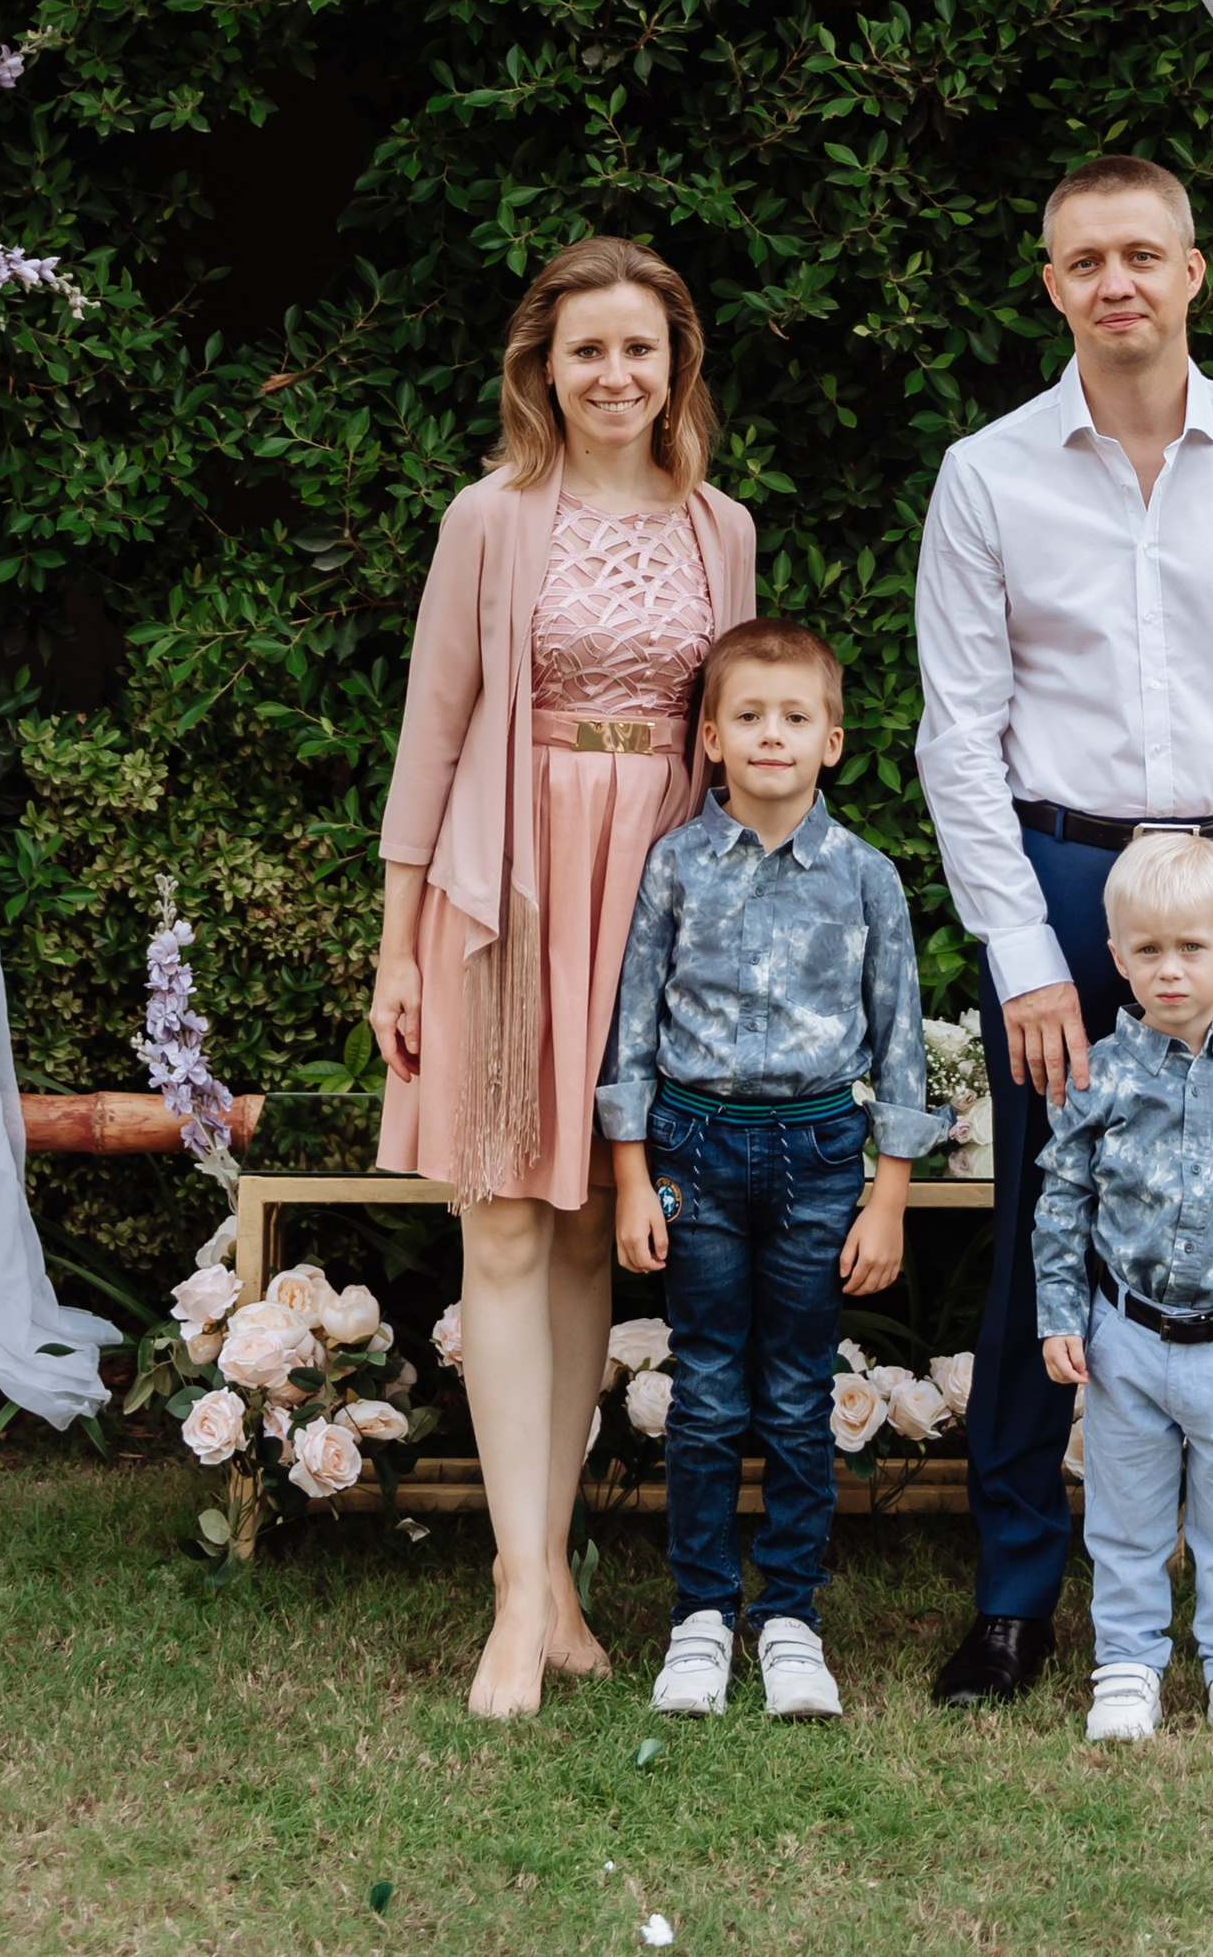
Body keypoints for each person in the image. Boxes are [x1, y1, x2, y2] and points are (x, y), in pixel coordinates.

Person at [913, 153, 1213, 1722]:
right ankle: (1014, 1600)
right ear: (1051, 282)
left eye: (1143, 252)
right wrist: (1025, 956)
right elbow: (957, 735)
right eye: (1083, 259)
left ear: (1194, 271)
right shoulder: (987, 474)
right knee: (1035, 1244)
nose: (1114, 280)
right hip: (1062, 880)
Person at [368, 236, 755, 1720]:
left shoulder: (725, 527)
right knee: (511, 1221)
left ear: (676, 366)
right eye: (586, 349)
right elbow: (432, 727)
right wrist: (400, 938)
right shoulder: (493, 516)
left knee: (596, 1225)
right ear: (545, 365)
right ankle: (520, 1588)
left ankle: (555, 1571)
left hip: (650, 888)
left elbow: (733, 731)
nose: (614, 374)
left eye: (639, 349)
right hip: (511, 881)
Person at [600, 620, 941, 1724]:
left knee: (796, 1397)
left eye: (794, 716)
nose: (771, 734)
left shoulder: (867, 879)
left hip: (816, 1159)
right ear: (708, 737)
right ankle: (700, 1615)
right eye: (746, 715)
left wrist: (887, 1195)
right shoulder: (674, 866)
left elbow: (897, 1045)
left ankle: (789, 1616)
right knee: (704, 1396)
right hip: (693, 1153)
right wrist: (629, 1172)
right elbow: (633, 1028)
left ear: (833, 740)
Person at [1034, 830, 1213, 1749]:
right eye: (1148, 950)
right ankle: (1126, 1660)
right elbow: (1062, 1201)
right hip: (1127, 1340)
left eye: (1192, 949)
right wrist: (1060, 1316)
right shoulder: (1098, 1073)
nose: (1170, 972)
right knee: (1126, 1515)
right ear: (1115, 955)